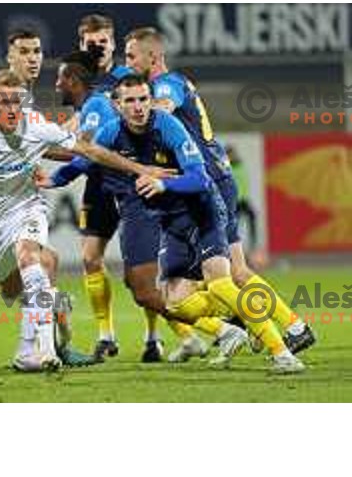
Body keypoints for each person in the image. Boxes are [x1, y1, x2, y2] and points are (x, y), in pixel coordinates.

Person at [0, 69, 171, 372]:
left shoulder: (37, 126)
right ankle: (54, 308)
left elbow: (89, 150)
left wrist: (140, 169)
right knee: (12, 291)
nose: (11, 109)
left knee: (30, 256)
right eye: (4, 102)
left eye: (17, 102)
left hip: (28, 207)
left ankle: (41, 352)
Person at [124, 27, 316, 355]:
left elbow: (165, 105)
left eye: (131, 56)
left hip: (208, 183)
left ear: (152, 57)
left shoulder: (166, 85)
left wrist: (126, 109)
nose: (126, 62)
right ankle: (287, 326)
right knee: (233, 272)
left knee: (218, 278)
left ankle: (268, 323)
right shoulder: (172, 82)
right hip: (213, 181)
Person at [95, 74, 304, 373]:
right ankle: (239, 315)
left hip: (203, 211)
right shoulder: (112, 132)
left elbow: (200, 178)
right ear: (117, 105)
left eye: (144, 99)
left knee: (220, 281)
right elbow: (86, 154)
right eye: (130, 100)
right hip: (173, 223)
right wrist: (53, 176)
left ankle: (282, 352)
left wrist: (163, 185)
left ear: (151, 100)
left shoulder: (168, 126)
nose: (139, 106)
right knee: (175, 302)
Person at [51, 48, 209, 363]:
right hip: (110, 190)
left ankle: (173, 334)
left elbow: (86, 153)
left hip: (128, 191)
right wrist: (56, 173)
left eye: (60, 79)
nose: (56, 85)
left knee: (141, 277)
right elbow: (83, 151)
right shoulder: (96, 111)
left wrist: (32, 150)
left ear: (73, 79)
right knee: (104, 264)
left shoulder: (99, 104)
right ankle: (110, 336)